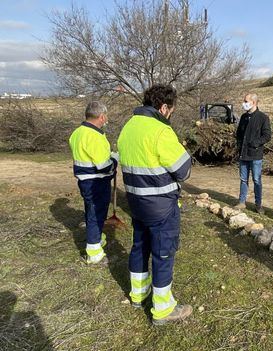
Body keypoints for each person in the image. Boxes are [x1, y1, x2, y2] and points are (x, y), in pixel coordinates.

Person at [117, 84, 192, 325]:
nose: (170, 114)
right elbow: (183, 170)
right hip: (161, 205)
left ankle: (138, 294)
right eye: (171, 110)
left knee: (139, 246)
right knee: (163, 253)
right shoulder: (161, 131)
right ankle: (162, 309)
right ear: (163, 107)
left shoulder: (128, 127)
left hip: (136, 202)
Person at [69, 101, 118, 264]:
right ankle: (94, 252)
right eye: (106, 117)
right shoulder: (94, 136)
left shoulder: (77, 133)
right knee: (95, 215)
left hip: (85, 181)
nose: (106, 120)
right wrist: (115, 161)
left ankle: (96, 237)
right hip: (96, 182)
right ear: (102, 116)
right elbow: (103, 166)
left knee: (92, 210)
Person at [235, 93, 271, 214]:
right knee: (243, 179)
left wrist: (255, 143)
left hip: (255, 155)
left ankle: (258, 204)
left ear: (253, 102)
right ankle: (241, 202)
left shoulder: (263, 118)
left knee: (256, 180)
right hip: (243, 154)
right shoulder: (244, 117)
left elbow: (267, 136)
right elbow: (239, 133)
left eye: (246, 101)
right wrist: (239, 145)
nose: (243, 103)